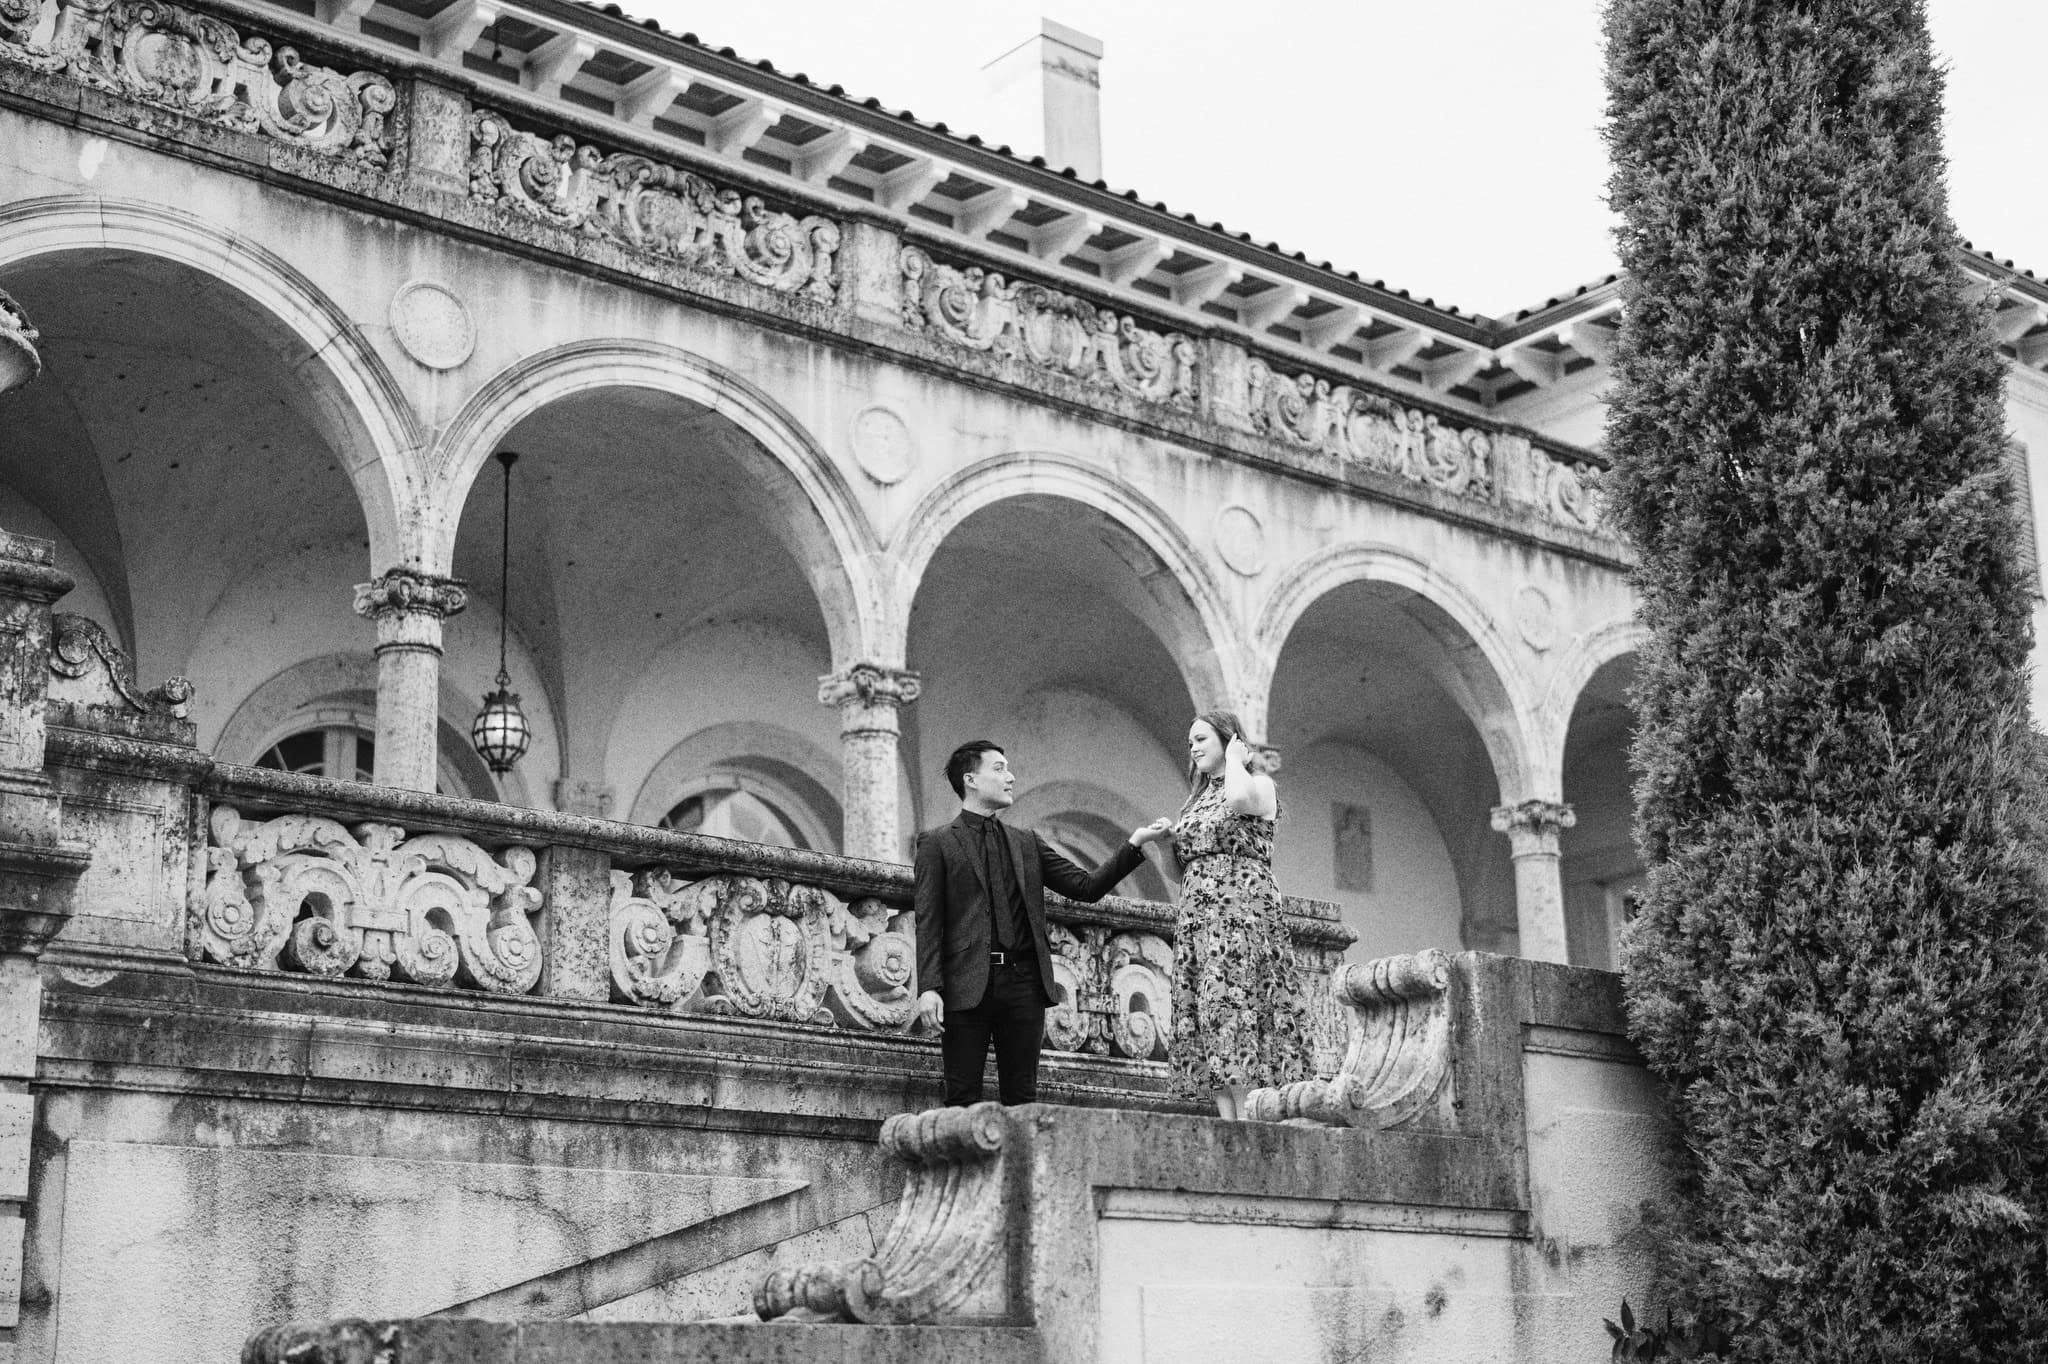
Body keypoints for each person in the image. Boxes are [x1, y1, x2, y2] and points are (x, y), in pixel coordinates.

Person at [914, 739, 1172, 1106]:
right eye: (999, 768)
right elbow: (928, 919)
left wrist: (1136, 844)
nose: (1011, 777)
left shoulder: (1026, 843)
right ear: (970, 779)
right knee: (961, 1098)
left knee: (1023, 1100)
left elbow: (1086, 887)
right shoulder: (937, 843)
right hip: (965, 984)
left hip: (1024, 985)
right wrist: (929, 987)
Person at [1164, 709, 1313, 1119]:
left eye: (1201, 739)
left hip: (1241, 911)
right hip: (1199, 917)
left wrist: (1235, 759)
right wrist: (1157, 844)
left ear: (1229, 740)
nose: (1192, 747)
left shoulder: (1258, 785)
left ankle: (1250, 1119)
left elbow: (1238, 799)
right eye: (1190, 741)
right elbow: (1179, 866)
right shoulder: (1195, 801)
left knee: (1238, 1003)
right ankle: (1229, 1121)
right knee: (1209, 1011)